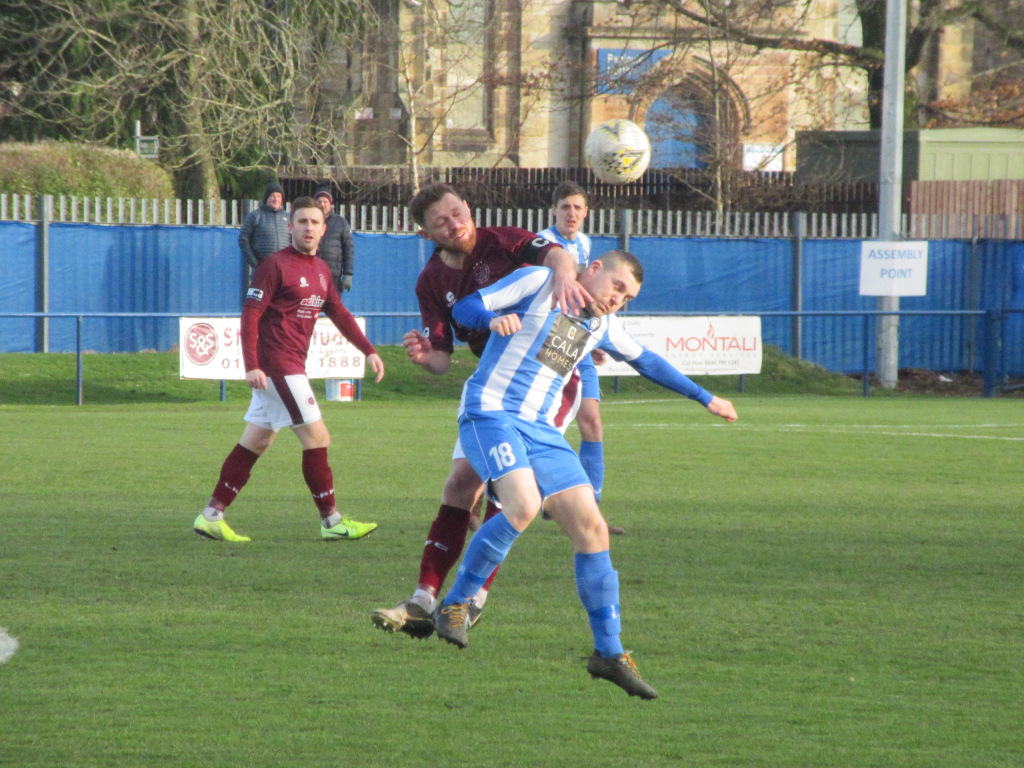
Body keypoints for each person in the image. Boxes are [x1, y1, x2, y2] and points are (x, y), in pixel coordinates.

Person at [431, 250, 738, 699]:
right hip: (492, 412)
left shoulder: (602, 324)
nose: (619, 300)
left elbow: (647, 360)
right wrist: (491, 320)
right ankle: (455, 605)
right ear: (593, 269)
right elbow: (464, 307)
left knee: (594, 529)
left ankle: (609, 654)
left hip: (541, 428)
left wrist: (705, 397)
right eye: (617, 287)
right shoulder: (538, 281)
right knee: (524, 505)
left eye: (628, 297)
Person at [369, 183, 589, 638]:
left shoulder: (503, 240)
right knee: (460, 484)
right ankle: (422, 600)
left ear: (468, 206)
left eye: (456, 212)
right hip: (492, 389)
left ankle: (471, 600)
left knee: (507, 494)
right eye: (441, 222)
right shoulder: (431, 282)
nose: (454, 223)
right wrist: (425, 356)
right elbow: (443, 359)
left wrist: (564, 275)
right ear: (428, 234)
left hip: (541, 384)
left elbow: (556, 255)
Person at [193, 196, 385, 543]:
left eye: (314, 222)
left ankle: (211, 515)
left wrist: (368, 350)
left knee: (257, 440)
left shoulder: (323, 271)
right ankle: (332, 522)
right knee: (317, 437)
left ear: (324, 229)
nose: (308, 228)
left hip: (290, 365)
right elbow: (250, 315)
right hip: (277, 366)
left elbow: (339, 313)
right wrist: (251, 365)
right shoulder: (274, 266)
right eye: (302, 222)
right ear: (290, 226)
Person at [537, 181, 606, 506]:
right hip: (553, 339)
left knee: (591, 420)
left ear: (586, 212)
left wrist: (592, 340)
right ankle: (485, 500)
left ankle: (591, 505)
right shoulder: (544, 243)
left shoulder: (585, 243)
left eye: (578, 207)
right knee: (537, 421)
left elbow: (582, 298)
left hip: (578, 338)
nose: (572, 213)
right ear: (554, 210)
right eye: (565, 206)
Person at [239, 181, 291, 286]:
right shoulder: (255, 216)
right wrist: (255, 263)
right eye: (272, 196)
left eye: (278, 196)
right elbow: (243, 239)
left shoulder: (289, 217)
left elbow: (294, 239)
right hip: (262, 270)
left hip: (284, 269)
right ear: (266, 198)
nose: (276, 199)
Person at [313, 185, 355, 293]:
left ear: (330, 203)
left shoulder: (341, 222)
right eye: (319, 201)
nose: (322, 204)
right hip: (312, 273)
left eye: (325, 201)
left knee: (333, 308)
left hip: (334, 275)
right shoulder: (310, 221)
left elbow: (349, 249)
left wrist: (348, 274)